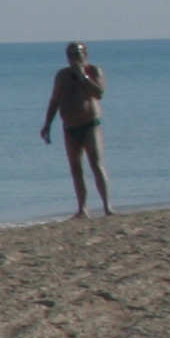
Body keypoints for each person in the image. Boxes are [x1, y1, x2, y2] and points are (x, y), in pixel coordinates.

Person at [41, 42, 112, 218]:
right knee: (76, 168)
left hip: (90, 124)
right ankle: (82, 208)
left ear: (85, 54)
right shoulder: (62, 75)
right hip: (70, 127)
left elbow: (99, 94)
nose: (74, 58)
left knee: (96, 164)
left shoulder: (94, 71)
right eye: (70, 54)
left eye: (77, 54)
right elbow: (55, 100)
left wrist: (83, 77)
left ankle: (107, 206)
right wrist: (47, 124)